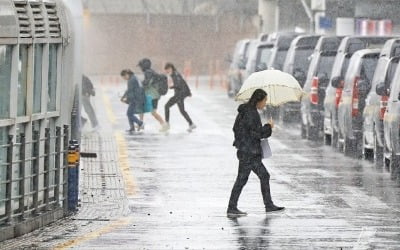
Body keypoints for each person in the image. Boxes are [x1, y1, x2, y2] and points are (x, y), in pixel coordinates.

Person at [227, 89, 284, 216]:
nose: (265, 104)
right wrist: (268, 127)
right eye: (264, 101)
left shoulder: (245, 111)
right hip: (249, 153)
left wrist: (242, 140)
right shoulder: (251, 113)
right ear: (258, 100)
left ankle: (266, 205)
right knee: (247, 178)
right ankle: (233, 207)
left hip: (246, 150)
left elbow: (237, 129)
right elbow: (257, 133)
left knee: (253, 177)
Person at [164, 62, 196, 132]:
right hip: (181, 94)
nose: (167, 72)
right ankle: (191, 124)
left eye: (167, 70)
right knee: (182, 110)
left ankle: (167, 124)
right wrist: (189, 91)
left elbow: (179, 84)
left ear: (170, 68)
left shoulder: (175, 74)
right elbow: (183, 82)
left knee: (166, 106)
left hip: (179, 94)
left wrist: (172, 87)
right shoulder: (175, 73)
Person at [137, 58, 168, 131]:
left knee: (149, 111)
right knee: (145, 109)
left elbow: (147, 83)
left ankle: (163, 125)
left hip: (152, 95)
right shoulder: (151, 72)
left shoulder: (148, 72)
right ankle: (141, 124)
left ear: (143, 66)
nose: (140, 68)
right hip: (154, 95)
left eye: (140, 66)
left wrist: (139, 86)